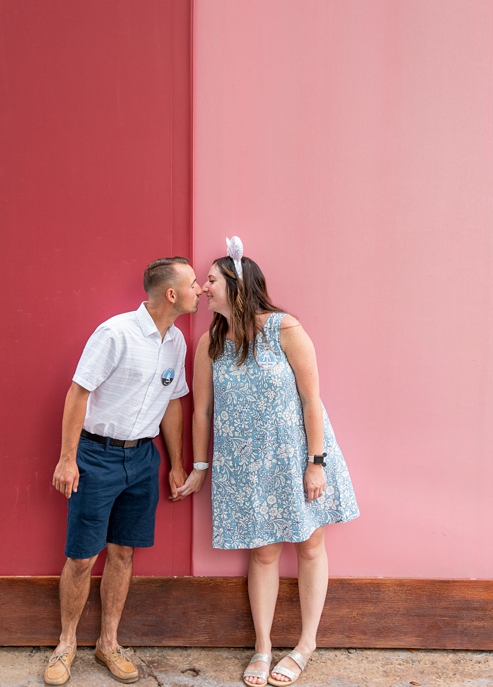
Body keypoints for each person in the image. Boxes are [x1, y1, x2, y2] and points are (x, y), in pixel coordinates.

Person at [177, 238, 359, 687]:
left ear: (237, 285)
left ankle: (306, 643)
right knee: (262, 553)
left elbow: (311, 400)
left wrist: (315, 463)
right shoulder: (208, 344)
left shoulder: (285, 328)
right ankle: (262, 646)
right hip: (245, 467)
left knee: (311, 545)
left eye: (212, 280)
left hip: (299, 457)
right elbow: (201, 411)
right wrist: (200, 469)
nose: (203, 288)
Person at [46, 257, 200, 686]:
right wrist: (67, 458)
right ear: (172, 294)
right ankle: (66, 644)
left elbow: (173, 402)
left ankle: (108, 644)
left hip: (142, 460)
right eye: (192, 284)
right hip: (96, 457)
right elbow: (78, 394)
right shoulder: (115, 333)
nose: (199, 290)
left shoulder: (177, 342)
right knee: (81, 557)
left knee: (124, 553)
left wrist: (176, 463)